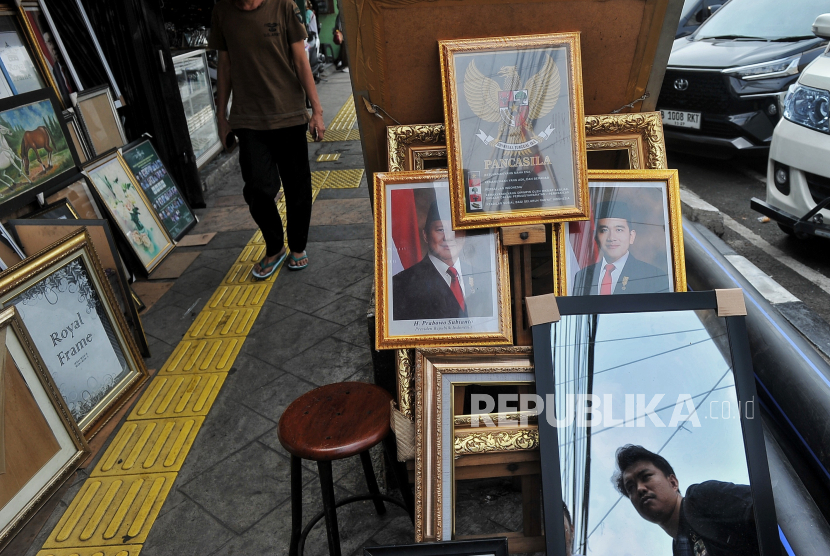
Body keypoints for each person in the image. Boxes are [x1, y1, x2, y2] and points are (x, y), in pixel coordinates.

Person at [209, 0, 325, 278]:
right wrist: (221, 115)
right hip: (248, 118)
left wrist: (316, 110)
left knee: (297, 186)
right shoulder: (223, 12)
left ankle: (297, 246)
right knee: (258, 189)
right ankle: (275, 246)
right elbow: (224, 65)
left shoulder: (284, 7)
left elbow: (300, 60)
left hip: (289, 114)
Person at [613, 444, 759, 556]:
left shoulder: (701, 497)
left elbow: (769, 508)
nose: (639, 489)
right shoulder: (679, 549)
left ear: (673, 483)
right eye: (631, 487)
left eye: (646, 477)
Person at [392, 201, 492, 320]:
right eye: (440, 230)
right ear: (425, 235)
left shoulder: (484, 277)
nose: (448, 237)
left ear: (464, 235)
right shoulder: (402, 284)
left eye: (455, 229)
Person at [571, 201, 670, 295]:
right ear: (595, 236)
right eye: (604, 230)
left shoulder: (654, 276)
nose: (611, 238)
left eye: (619, 230)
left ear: (631, 236)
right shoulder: (582, 276)